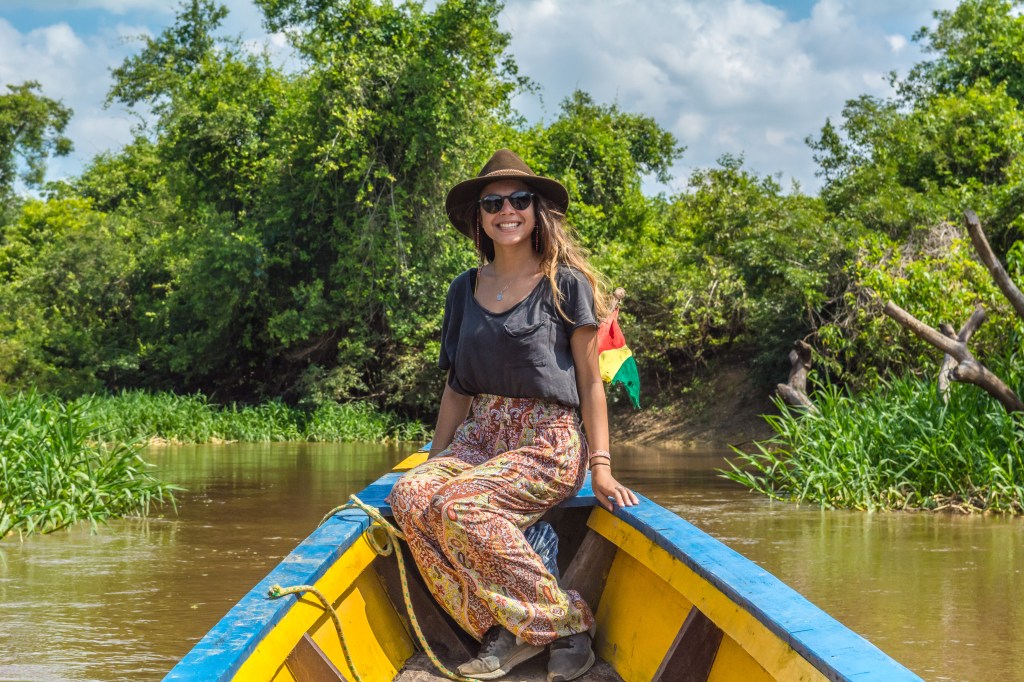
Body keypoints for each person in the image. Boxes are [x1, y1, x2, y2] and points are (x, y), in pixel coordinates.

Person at [388, 149, 639, 682]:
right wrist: (432, 466)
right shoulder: (463, 289)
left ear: (536, 211)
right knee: (411, 498)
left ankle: (568, 626)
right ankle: (504, 629)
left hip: (547, 441)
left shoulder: (565, 284)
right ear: (479, 216)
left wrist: (601, 466)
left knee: (460, 507)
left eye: (519, 200)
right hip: (480, 436)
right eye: (493, 202)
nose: (508, 210)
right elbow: (457, 389)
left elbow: (592, 383)